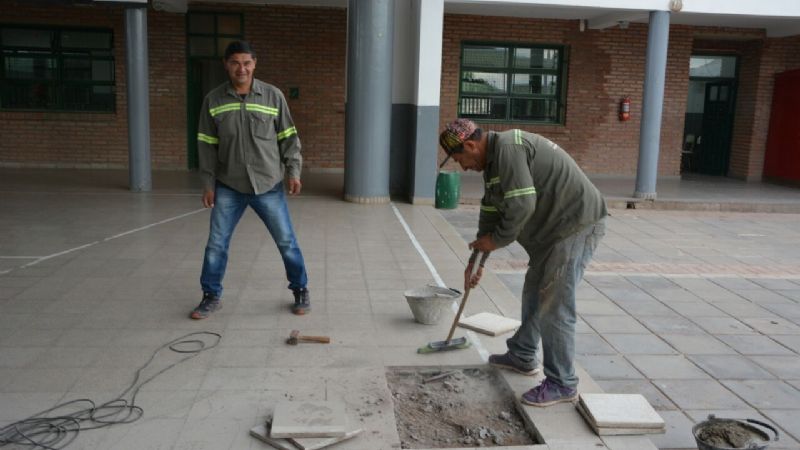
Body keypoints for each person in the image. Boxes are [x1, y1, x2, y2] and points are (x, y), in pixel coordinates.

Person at [439, 118, 607, 407]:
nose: (463, 167)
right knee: (533, 291)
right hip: (552, 234)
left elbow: (522, 205)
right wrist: (477, 261)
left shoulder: (508, 148)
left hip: (575, 224)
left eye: (460, 159)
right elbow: (490, 215)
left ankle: (562, 383)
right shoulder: (492, 166)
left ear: (470, 144)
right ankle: (523, 354)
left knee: (555, 305)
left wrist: (496, 241)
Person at [191, 40, 310, 319]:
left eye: (246, 62)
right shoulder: (214, 100)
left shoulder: (272, 96)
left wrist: (293, 171)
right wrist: (208, 184)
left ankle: (301, 290)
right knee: (216, 243)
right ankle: (210, 295)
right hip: (228, 185)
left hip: (267, 184)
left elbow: (288, 137)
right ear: (226, 65)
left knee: (286, 242)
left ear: (254, 64)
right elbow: (206, 145)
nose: (241, 68)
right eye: (235, 62)